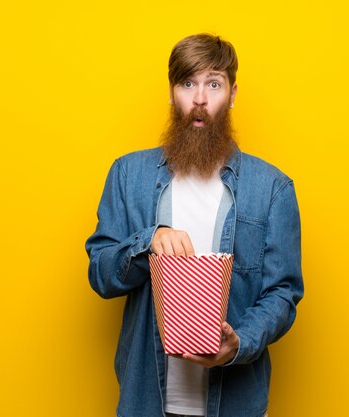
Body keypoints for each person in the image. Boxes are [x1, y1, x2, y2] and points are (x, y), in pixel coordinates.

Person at [86, 33, 304, 417]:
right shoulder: (127, 174)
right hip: (145, 403)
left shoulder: (272, 188)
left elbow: (283, 294)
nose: (200, 99)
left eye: (213, 84)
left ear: (232, 95)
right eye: (188, 83)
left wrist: (239, 342)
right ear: (172, 93)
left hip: (235, 404)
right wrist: (148, 241)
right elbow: (101, 275)